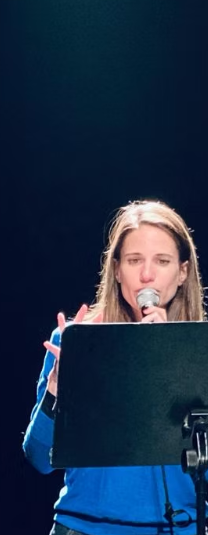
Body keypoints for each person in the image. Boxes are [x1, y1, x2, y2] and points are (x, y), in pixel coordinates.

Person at [23, 200, 205, 535]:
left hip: (179, 528)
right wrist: (56, 390)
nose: (147, 274)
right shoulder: (74, 341)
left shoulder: (200, 351)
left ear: (182, 272)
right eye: (134, 260)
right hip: (85, 528)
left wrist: (167, 355)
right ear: (117, 270)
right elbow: (38, 457)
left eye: (162, 261)